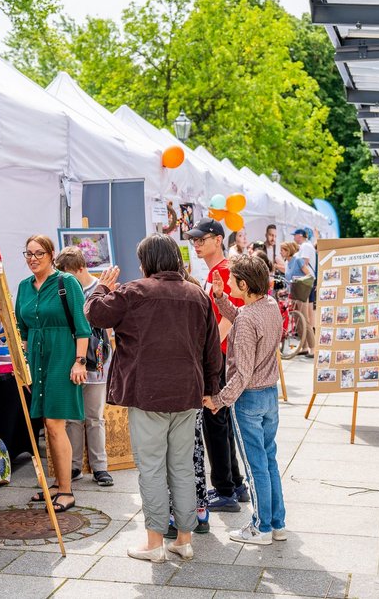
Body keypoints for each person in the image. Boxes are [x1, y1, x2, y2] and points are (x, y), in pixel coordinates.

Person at [85, 234, 223, 563]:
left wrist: (102, 288)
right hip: (188, 392)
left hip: (148, 393)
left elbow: (95, 315)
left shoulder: (134, 291)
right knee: (183, 467)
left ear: (147, 262)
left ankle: (154, 543)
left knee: (151, 469)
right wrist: (210, 389)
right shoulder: (197, 295)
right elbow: (211, 349)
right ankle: (184, 540)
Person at [204, 255, 287, 545]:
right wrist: (220, 298)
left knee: (255, 467)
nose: (228, 282)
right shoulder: (269, 305)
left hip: (249, 399)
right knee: (269, 461)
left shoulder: (248, 319)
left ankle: (261, 527)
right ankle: (277, 523)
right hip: (269, 395)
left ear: (244, 283)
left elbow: (242, 372)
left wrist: (219, 400)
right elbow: (241, 316)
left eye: (232, 279)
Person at [16, 234, 90, 514]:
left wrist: (79, 362)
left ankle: (67, 491)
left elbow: (82, 327)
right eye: (28, 253)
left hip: (62, 359)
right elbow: (21, 332)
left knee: (56, 426)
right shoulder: (24, 287)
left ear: (51, 254)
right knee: (48, 427)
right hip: (36, 362)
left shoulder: (66, 282)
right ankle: (58, 485)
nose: (33, 259)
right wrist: (22, 366)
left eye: (39, 253)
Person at [185, 218, 249, 512]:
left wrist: (210, 352)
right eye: (194, 240)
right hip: (219, 354)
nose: (196, 244)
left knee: (215, 419)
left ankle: (226, 489)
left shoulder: (223, 269)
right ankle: (233, 483)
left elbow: (228, 316)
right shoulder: (215, 270)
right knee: (219, 420)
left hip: (219, 355)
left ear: (218, 239)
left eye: (202, 239)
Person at [55, 246, 114, 487]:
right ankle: (74, 465)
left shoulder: (100, 289)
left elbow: (108, 324)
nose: (66, 280)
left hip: (96, 363)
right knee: (72, 418)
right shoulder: (62, 289)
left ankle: (100, 467)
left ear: (81, 268)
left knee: (94, 417)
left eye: (70, 274)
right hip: (71, 361)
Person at [291, 229, 317, 356]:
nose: (294, 238)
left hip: (305, 284)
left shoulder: (306, 246)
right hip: (306, 283)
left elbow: (304, 262)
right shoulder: (306, 246)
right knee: (306, 316)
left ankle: (311, 347)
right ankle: (306, 346)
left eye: (295, 235)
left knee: (306, 317)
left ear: (300, 236)